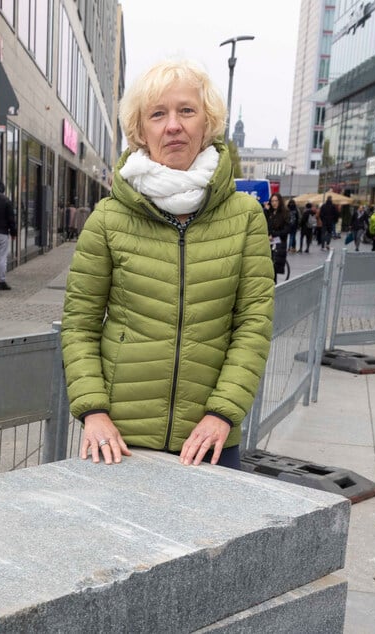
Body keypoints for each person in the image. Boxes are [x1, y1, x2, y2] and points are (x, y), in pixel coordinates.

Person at [61, 59, 274, 471]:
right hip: (119, 439)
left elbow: (253, 322)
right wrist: (93, 411)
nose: (173, 125)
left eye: (186, 111)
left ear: (207, 122)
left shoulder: (244, 215)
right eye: (158, 114)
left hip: (210, 438)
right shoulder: (108, 218)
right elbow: (80, 325)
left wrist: (223, 412)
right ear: (141, 131)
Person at [267, 193, 292, 283]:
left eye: (276, 201)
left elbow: (287, 229)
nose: (274, 203)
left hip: (279, 243)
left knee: (274, 268)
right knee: (269, 268)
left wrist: (273, 234)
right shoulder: (270, 213)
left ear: (280, 201)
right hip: (270, 243)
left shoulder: (285, 213)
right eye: (272, 201)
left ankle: (274, 286)